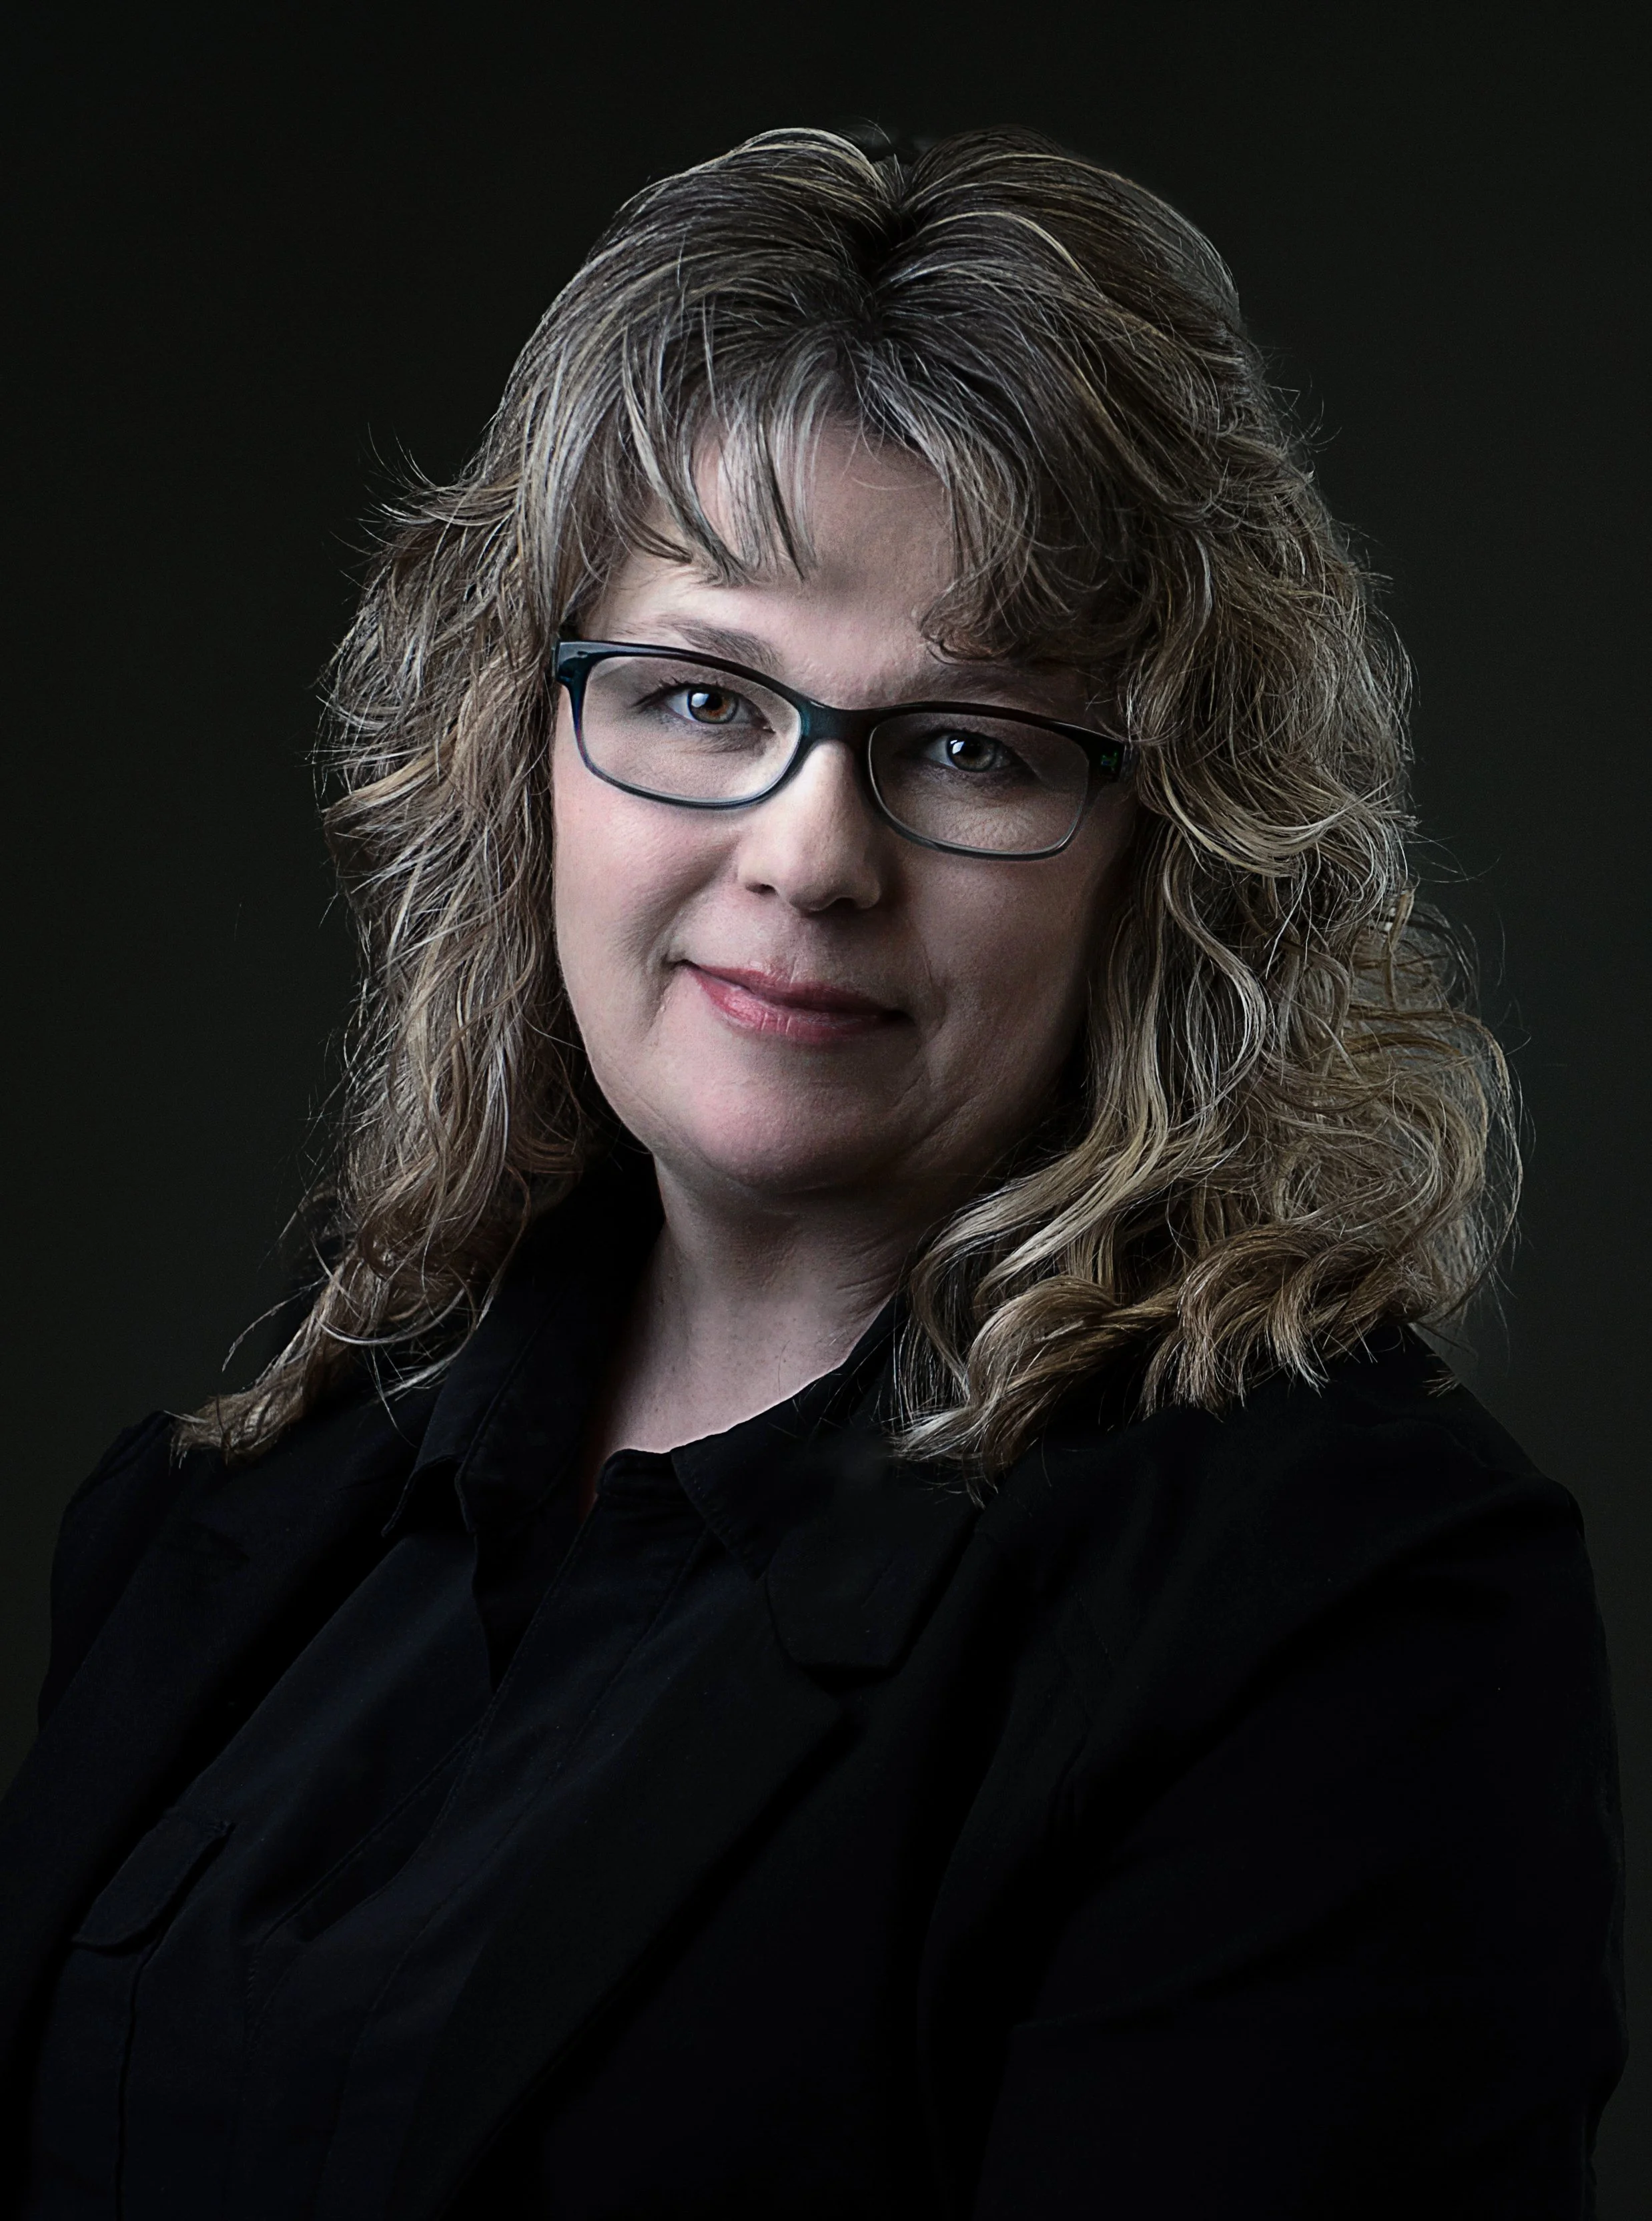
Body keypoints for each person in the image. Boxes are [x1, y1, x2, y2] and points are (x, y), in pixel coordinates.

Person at [0, 127, 1623, 2219]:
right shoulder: (227, 1511)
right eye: (695, 697)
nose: (805, 856)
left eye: (970, 745)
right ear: (525, 752)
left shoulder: (1341, 1604)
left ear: (1172, 857)